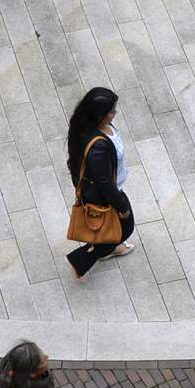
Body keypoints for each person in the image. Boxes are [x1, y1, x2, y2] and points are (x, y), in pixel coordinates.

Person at [64, 86, 136, 279]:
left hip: (111, 184)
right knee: (124, 227)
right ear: (98, 115)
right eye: (111, 111)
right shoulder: (97, 147)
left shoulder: (89, 127)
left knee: (118, 228)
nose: (115, 113)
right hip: (110, 191)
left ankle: (106, 248)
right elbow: (104, 183)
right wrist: (121, 207)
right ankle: (82, 259)